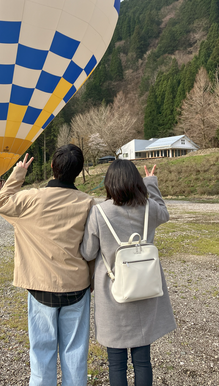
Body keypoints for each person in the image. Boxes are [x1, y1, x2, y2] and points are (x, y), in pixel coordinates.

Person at [0, 145, 94, 386]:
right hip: (76, 287)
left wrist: (19, 173)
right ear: (79, 172)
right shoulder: (88, 203)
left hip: (39, 287)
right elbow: (92, 248)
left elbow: (0, 202)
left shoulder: (31, 198)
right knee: (75, 353)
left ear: (52, 167)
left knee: (41, 352)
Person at [80, 160, 176, 386]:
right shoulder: (149, 209)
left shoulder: (99, 213)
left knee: (116, 364)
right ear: (136, 183)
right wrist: (151, 183)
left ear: (108, 183)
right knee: (143, 361)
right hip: (145, 290)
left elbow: (87, 252)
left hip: (113, 295)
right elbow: (165, 213)